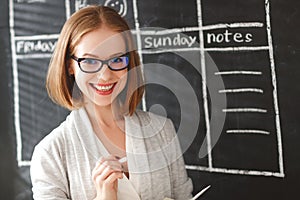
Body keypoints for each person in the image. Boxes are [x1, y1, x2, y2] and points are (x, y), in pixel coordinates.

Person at [30, 5, 193, 200]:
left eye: (117, 60)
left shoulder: (162, 131)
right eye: (90, 62)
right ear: (70, 66)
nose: (105, 75)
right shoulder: (51, 153)